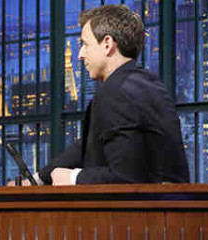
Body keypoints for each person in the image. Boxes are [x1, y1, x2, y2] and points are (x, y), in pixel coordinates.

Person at [31, 4, 189, 186]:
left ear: (107, 44)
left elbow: (126, 177)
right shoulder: (147, 84)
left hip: (143, 205)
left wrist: (72, 178)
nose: (80, 55)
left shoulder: (115, 93)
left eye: (85, 44)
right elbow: (89, 144)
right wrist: (40, 178)